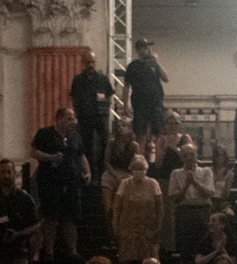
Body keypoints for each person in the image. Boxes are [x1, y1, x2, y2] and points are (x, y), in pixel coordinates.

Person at [30, 107, 88, 263]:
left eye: (73, 118)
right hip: (50, 182)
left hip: (71, 184)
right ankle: (48, 252)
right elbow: (34, 152)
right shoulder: (45, 134)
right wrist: (51, 157)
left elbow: (81, 155)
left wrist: (87, 171)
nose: (72, 122)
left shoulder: (75, 137)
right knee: (51, 217)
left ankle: (73, 251)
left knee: (70, 218)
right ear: (59, 119)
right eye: (69, 118)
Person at [112, 155, 163, 264]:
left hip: (148, 228)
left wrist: (159, 225)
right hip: (128, 227)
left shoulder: (153, 183)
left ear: (146, 169)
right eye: (136, 168)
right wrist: (115, 224)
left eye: (142, 168)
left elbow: (160, 207)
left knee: (150, 260)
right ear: (131, 169)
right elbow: (116, 206)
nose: (139, 171)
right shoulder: (125, 183)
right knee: (124, 259)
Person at [70, 49, 114, 180]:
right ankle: (89, 174)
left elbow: (110, 94)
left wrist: (106, 107)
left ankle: (102, 173)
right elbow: (73, 98)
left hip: (101, 117)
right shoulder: (77, 80)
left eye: (92, 62)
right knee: (86, 146)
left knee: (104, 144)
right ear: (83, 63)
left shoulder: (102, 78)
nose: (90, 65)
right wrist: (77, 113)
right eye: (88, 62)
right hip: (84, 118)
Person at [121, 38, 168, 144]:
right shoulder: (132, 67)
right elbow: (126, 87)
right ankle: (141, 158)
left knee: (156, 135)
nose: (147, 49)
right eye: (144, 47)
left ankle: (155, 159)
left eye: (148, 47)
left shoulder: (154, 65)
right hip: (140, 105)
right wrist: (125, 105)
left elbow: (166, 78)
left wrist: (157, 63)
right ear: (138, 50)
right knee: (140, 134)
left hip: (155, 104)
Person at [102, 119, 138, 213]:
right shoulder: (112, 142)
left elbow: (137, 163)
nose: (121, 128)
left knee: (124, 208)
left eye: (124, 125)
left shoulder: (134, 145)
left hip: (126, 173)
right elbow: (106, 162)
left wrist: (126, 175)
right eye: (119, 126)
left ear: (130, 129)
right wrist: (116, 175)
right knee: (108, 208)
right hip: (112, 172)